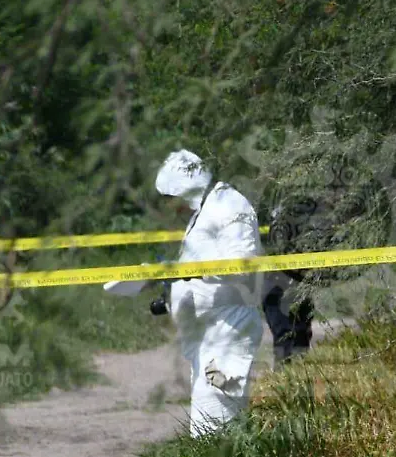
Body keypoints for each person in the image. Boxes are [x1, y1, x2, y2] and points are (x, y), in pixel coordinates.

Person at [106, 149, 265, 437]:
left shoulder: (229, 207)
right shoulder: (205, 210)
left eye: (171, 199)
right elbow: (200, 266)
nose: (171, 207)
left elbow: (243, 265)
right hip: (208, 335)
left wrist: (195, 270)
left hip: (229, 330)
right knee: (210, 426)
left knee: (216, 425)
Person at [261, 204, 314, 365]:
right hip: (276, 287)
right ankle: (284, 378)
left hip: (299, 287)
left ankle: (297, 377)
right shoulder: (271, 239)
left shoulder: (307, 235)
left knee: (301, 335)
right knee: (284, 336)